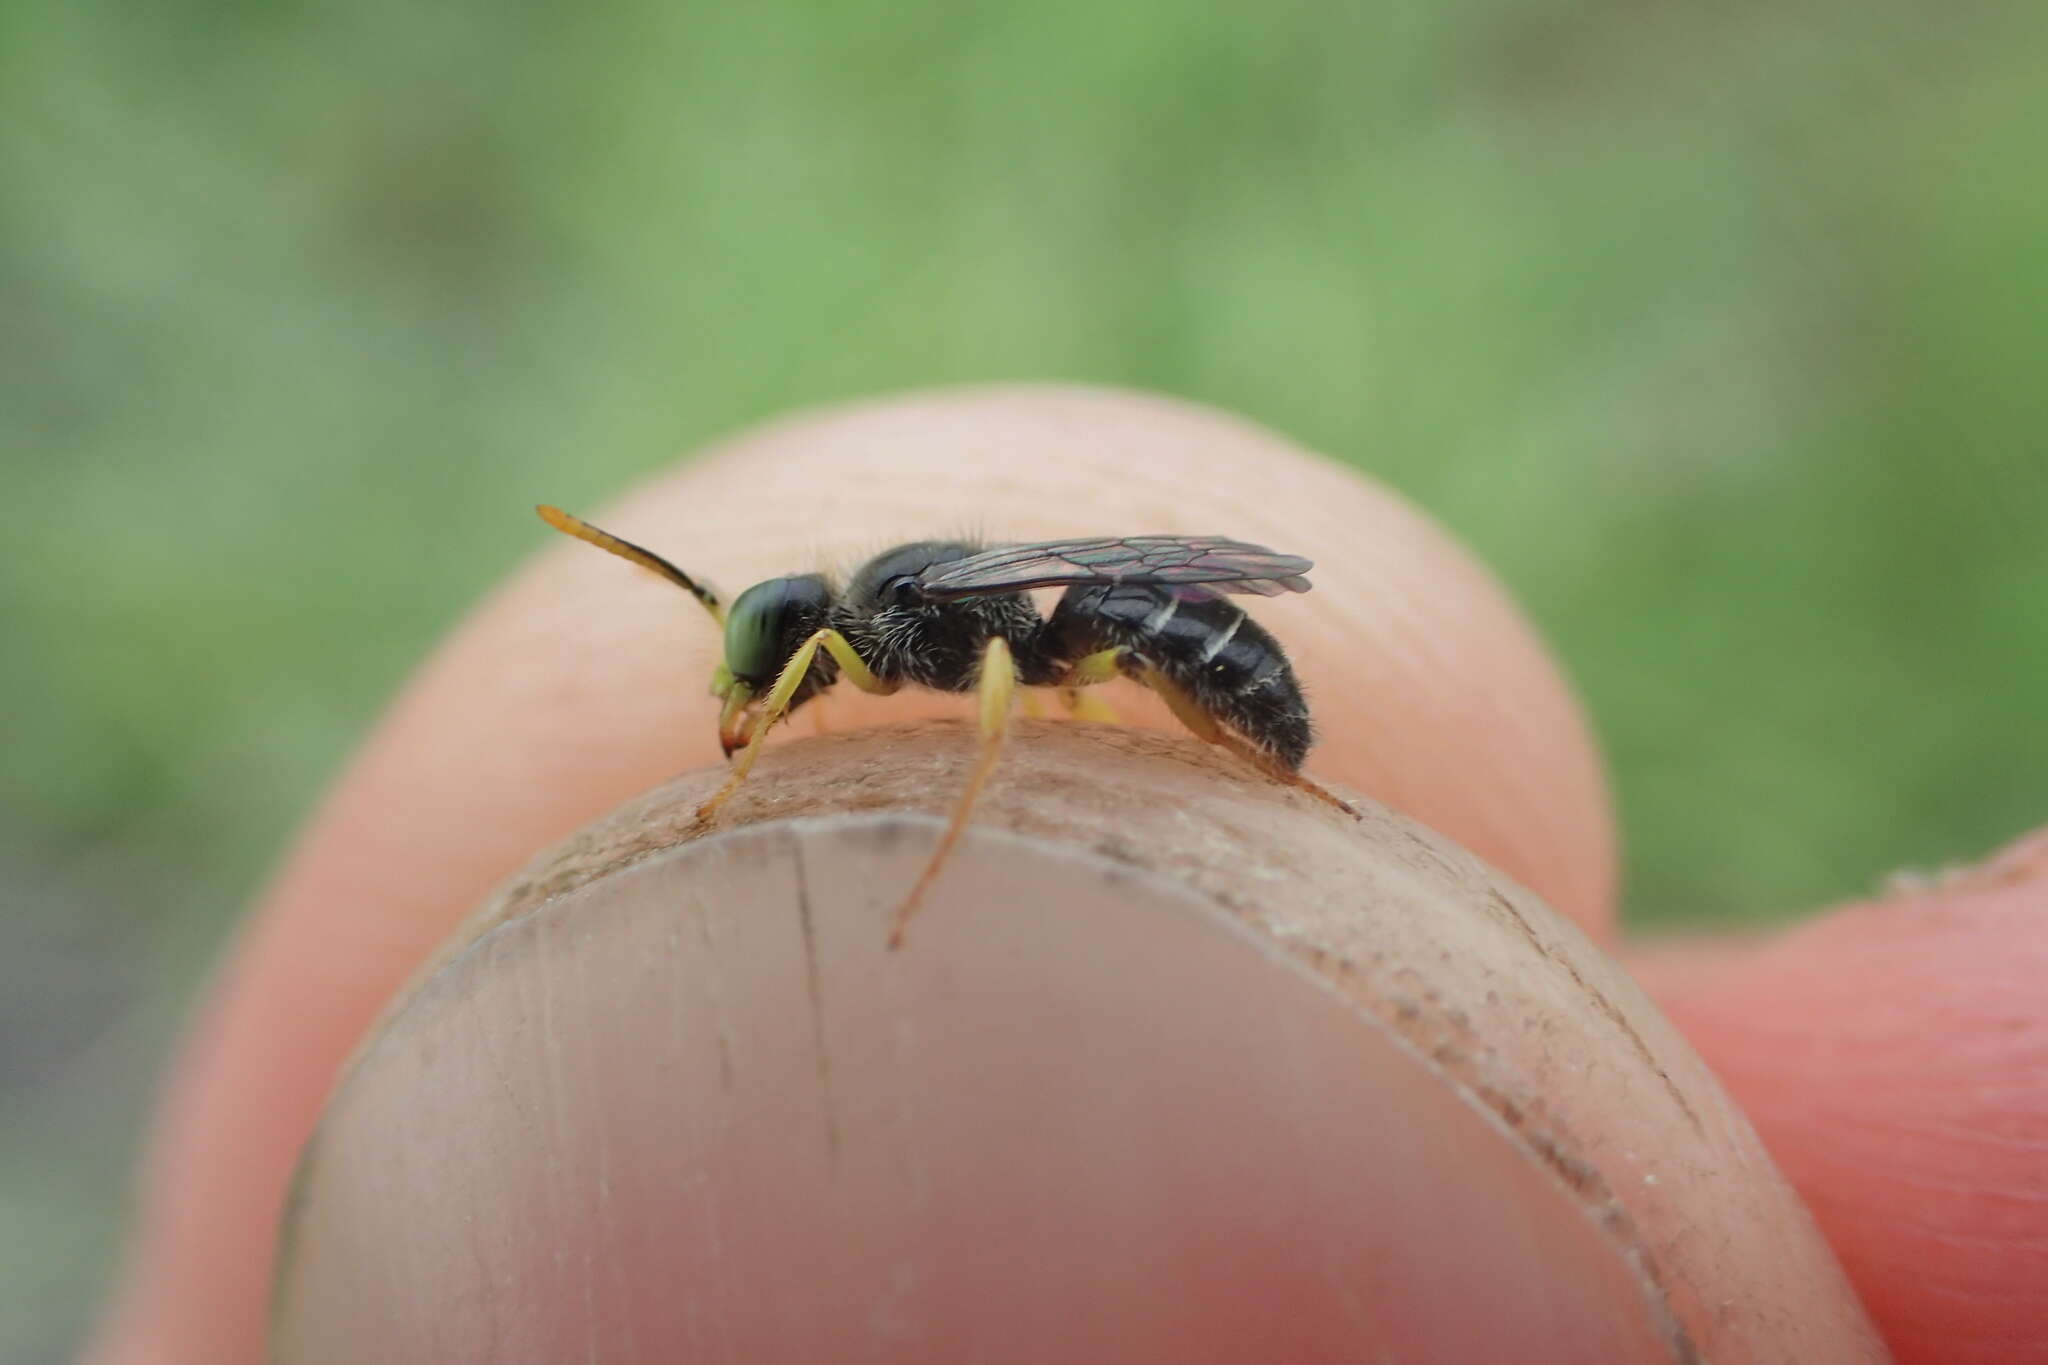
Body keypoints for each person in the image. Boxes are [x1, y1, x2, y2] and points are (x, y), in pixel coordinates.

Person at [90, 388, 2046, 1363]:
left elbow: (1054, 637)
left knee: (1105, 657)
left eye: (754, 663)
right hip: (1116, 654)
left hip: (1164, 665)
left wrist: (959, 833)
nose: (758, 686)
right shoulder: (863, 638)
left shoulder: (902, 631)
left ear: (808, 643)